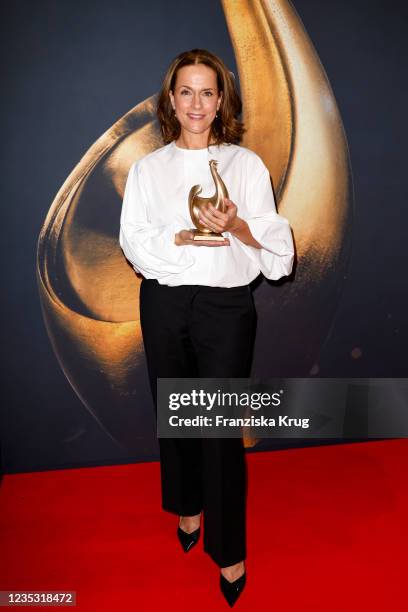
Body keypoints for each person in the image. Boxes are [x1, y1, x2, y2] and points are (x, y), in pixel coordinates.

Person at [119, 48, 294, 607]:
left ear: (222, 101)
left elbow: (277, 251)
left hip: (225, 308)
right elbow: (133, 241)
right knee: (174, 413)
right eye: (187, 92)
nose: (197, 103)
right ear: (172, 100)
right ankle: (188, 505)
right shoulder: (149, 169)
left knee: (218, 428)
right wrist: (182, 237)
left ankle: (229, 547)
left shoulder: (245, 165)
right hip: (165, 304)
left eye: (208, 92)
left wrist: (237, 223)